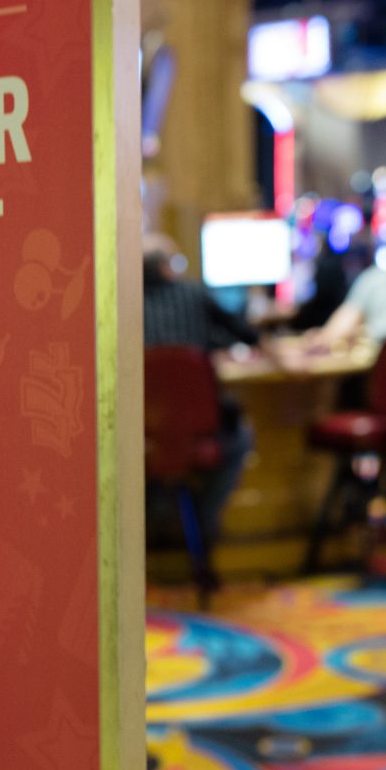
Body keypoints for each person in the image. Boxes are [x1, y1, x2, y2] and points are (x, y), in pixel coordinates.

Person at [141, 232, 259, 547]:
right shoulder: (193, 294)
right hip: (200, 435)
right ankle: (203, 525)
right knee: (241, 437)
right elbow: (246, 334)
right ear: (167, 267)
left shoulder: (121, 306)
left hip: (143, 437)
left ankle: (160, 518)